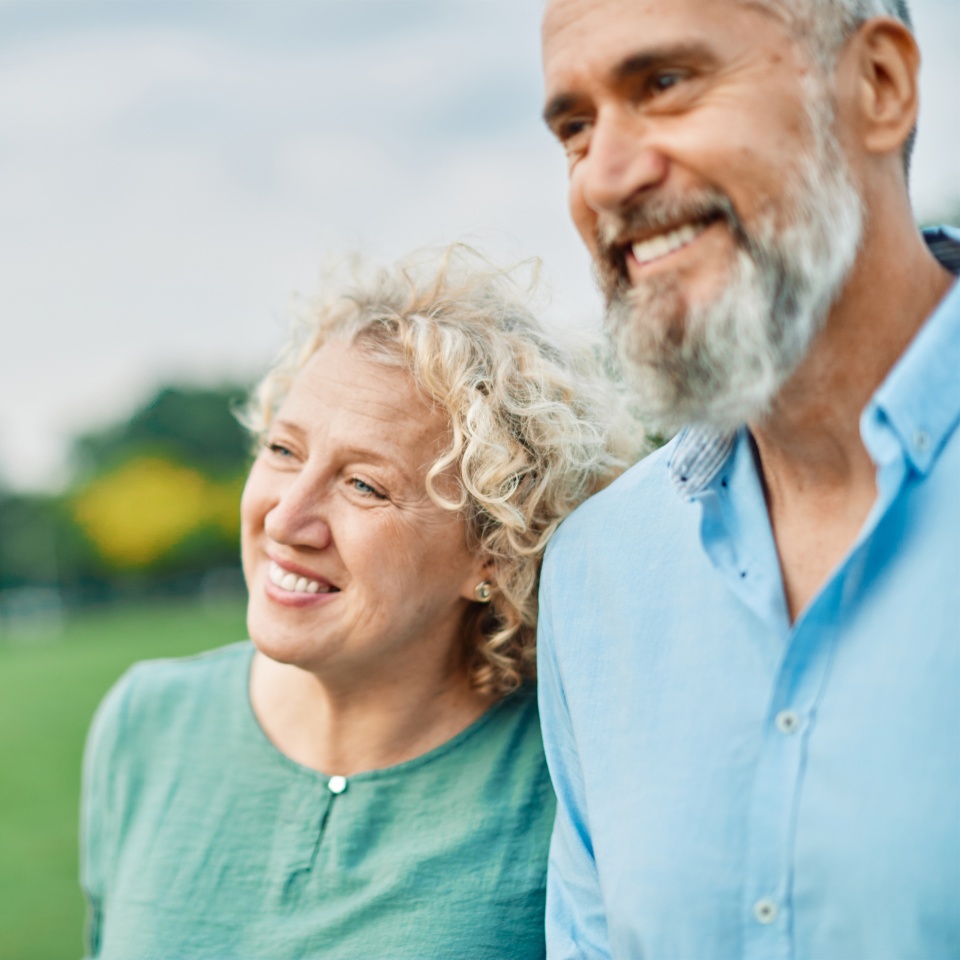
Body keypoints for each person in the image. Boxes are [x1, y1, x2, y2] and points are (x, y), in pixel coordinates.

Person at [537, 0, 959, 957]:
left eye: (666, 85)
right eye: (574, 127)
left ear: (879, 86)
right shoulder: (596, 572)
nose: (606, 175)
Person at [80, 245, 635, 959]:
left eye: (364, 485)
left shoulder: (570, 775)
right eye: (283, 450)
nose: (285, 520)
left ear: (496, 549)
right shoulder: (145, 724)